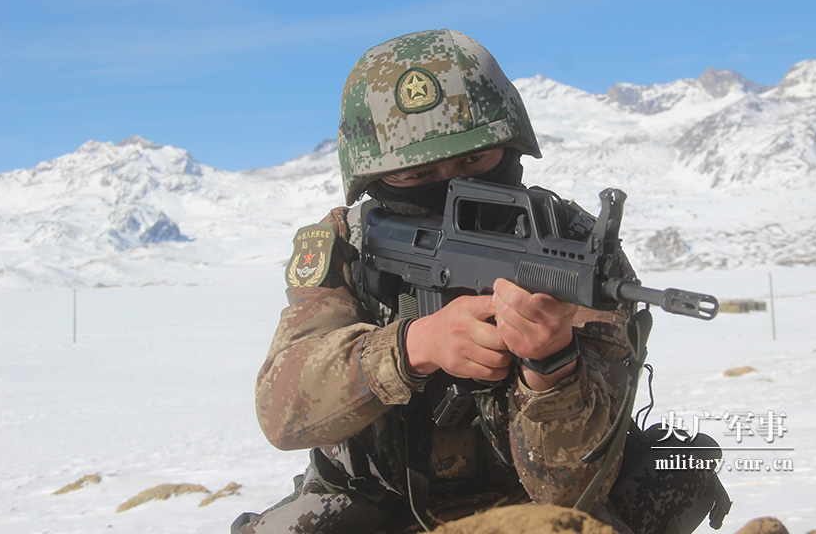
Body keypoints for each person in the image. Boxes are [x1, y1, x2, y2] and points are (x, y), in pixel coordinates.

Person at [232, 30, 691, 534]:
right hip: (372, 498)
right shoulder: (349, 242)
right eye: (416, 174)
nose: (452, 183)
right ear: (375, 176)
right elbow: (282, 412)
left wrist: (551, 368)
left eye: (473, 160)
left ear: (508, 146)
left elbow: (571, 488)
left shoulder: (573, 252)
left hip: (526, 499)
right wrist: (411, 347)